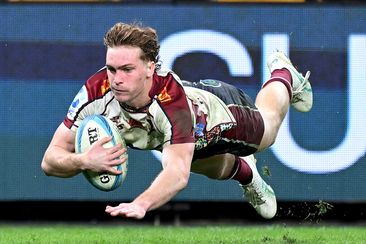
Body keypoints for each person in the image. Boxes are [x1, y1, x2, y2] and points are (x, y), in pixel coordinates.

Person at [41, 22, 313, 220]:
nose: (116, 79)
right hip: (168, 138)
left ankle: (284, 73)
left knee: (268, 131)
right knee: (214, 168)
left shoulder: (171, 102)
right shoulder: (95, 93)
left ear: (150, 67)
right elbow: (49, 160)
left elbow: (177, 174)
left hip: (220, 115)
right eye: (111, 69)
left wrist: (142, 203)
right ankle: (247, 174)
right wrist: (83, 160)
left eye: (127, 69)